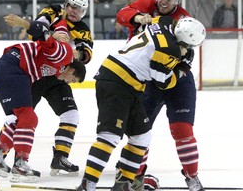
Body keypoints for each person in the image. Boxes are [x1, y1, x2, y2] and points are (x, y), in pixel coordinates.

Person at [76, 16, 206, 191]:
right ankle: (87, 185)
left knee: (142, 137)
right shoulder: (169, 49)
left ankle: (123, 184)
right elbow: (162, 81)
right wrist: (182, 68)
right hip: (117, 83)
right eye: (190, 45)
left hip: (129, 84)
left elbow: (151, 23)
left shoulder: (164, 21)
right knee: (110, 136)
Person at [117, 0, 205, 191]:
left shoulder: (183, 18)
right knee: (139, 130)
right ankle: (135, 175)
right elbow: (121, 15)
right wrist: (140, 17)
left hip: (176, 79)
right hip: (147, 79)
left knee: (182, 129)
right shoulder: (147, 4)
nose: (163, 1)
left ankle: (192, 176)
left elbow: (188, 54)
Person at [3, 0, 93, 177]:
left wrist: (77, 53)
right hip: (35, 71)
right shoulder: (52, 11)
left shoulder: (83, 28)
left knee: (71, 115)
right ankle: (0, 153)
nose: (75, 11)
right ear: (66, 4)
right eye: (72, 6)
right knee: (20, 116)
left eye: (80, 9)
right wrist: (55, 38)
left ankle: (60, 157)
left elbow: (87, 54)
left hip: (60, 75)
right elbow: (36, 29)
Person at [0, 32, 86, 182]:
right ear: (71, 70)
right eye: (73, 80)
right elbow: (44, 37)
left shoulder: (57, 70)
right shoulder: (63, 55)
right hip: (13, 70)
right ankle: (20, 164)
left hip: (13, 72)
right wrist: (53, 36)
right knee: (28, 118)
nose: (69, 83)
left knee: (22, 118)